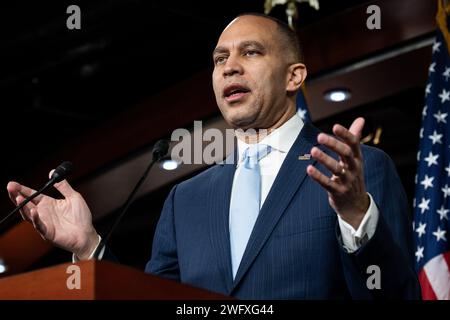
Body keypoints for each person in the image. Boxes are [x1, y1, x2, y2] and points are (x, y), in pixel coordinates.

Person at [6, 13, 420, 299]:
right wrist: (89, 245)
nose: (229, 68)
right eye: (220, 59)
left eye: (250, 53)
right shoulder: (186, 199)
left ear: (294, 75)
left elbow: (394, 295)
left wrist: (354, 218)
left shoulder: (353, 173)